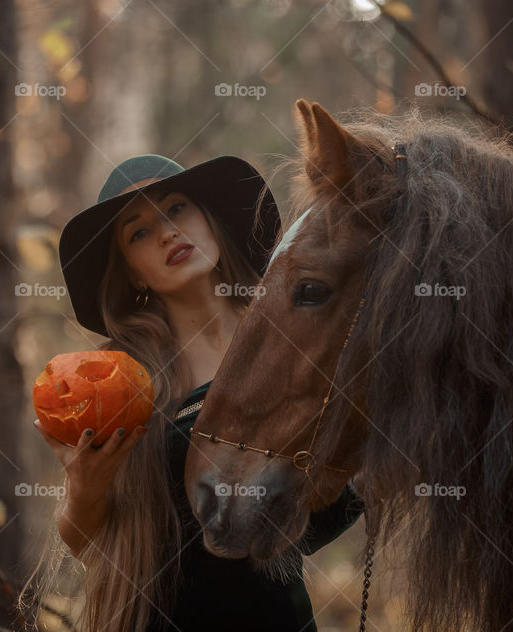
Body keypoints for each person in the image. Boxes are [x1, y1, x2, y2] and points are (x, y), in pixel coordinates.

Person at [34, 154, 365, 632]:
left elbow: (304, 528)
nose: (167, 232)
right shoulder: (115, 379)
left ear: (210, 220)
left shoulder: (292, 341)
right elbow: (87, 544)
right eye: (139, 232)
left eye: (177, 208)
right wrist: (86, 488)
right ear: (133, 273)